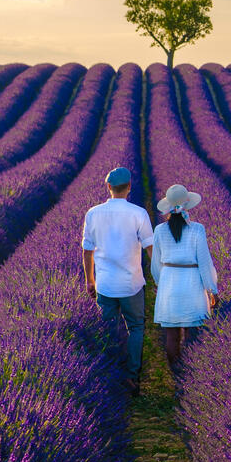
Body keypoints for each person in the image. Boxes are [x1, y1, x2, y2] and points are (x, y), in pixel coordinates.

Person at [82, 166, 153, 396]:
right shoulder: (139, 213)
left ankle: (110, 378)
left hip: (106, 285)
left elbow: (87, 250)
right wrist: (160, 276)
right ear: (130, 187)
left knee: (108, 331)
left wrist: (89, 280)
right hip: (131, 283)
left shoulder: (93, 213)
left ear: (108, 187)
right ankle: (132, 377)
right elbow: (150, 247)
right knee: (136, 328)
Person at [151, 184, 218, 368]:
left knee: (172, 336)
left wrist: (161, 283)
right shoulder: (197, 229)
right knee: (192, 334)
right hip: (192, 284)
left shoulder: (159, 230)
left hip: (169, 283)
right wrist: (212, 289)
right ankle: (190, 376)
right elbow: (204, 262)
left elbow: (155, 265)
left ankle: (175, 373)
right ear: (187, 206)